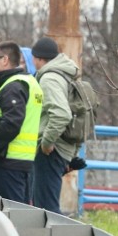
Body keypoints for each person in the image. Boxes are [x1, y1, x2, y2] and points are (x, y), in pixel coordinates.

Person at [0, 41, 43, 203]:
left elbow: (11, 123)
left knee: (9, 215)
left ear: (5, 60)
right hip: (24, 161)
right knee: (20, 214)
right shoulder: (31, 83)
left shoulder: (12, 86)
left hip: (8, 162)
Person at [30, 36, 78, 213]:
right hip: (61, 147)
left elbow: (61, 114)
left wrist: (47, 142)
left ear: (39, 59)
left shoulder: (49, 78)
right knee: (46, 204)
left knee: (46, 208)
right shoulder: (63, 74)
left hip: (51, 150)